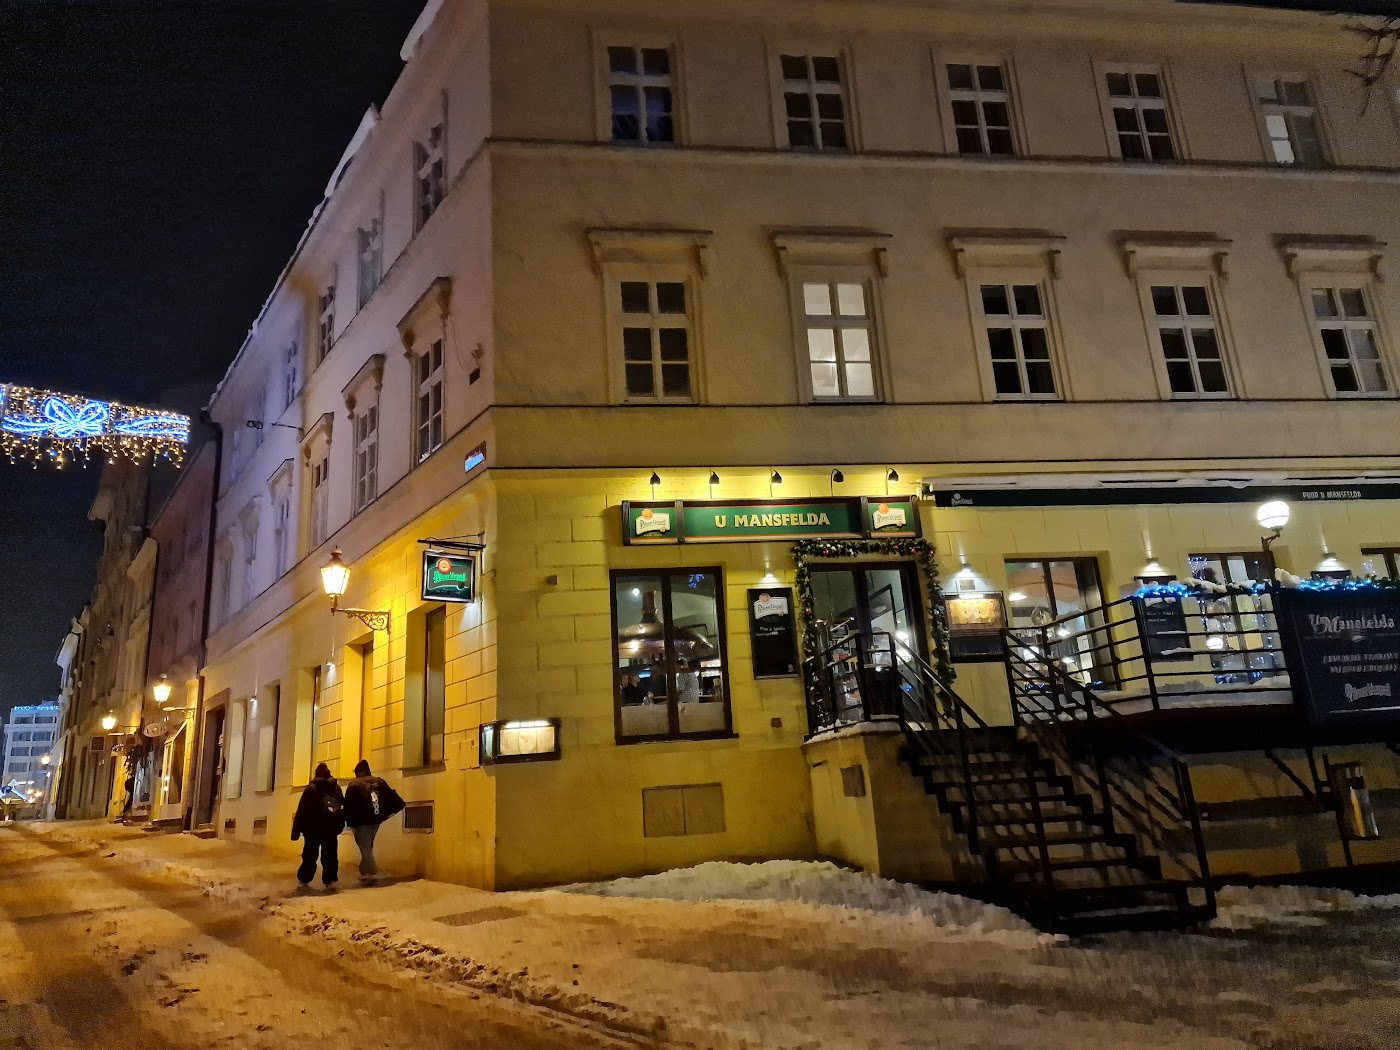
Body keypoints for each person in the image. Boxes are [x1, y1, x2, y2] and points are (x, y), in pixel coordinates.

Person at [342, 760, 405, 884]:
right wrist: (385, 815)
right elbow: (396, 800)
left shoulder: (354, 785)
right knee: (367, 846)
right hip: (375, 821)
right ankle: (365, 872)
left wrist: (349, 823)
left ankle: (372, 872)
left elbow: (349, 806)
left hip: (360, 822)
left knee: (364, 847)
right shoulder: (380, 782)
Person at [291, 762, 344, 891]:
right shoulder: (336, 788)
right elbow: (341, 808)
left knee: (310, 855)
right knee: (330, 855)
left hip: (312, 828)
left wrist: (296, 831)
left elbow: (302, 810)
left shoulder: (310, 788)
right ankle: (330, 880)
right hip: (330, 828)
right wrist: (340, 825)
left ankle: (304, 879)